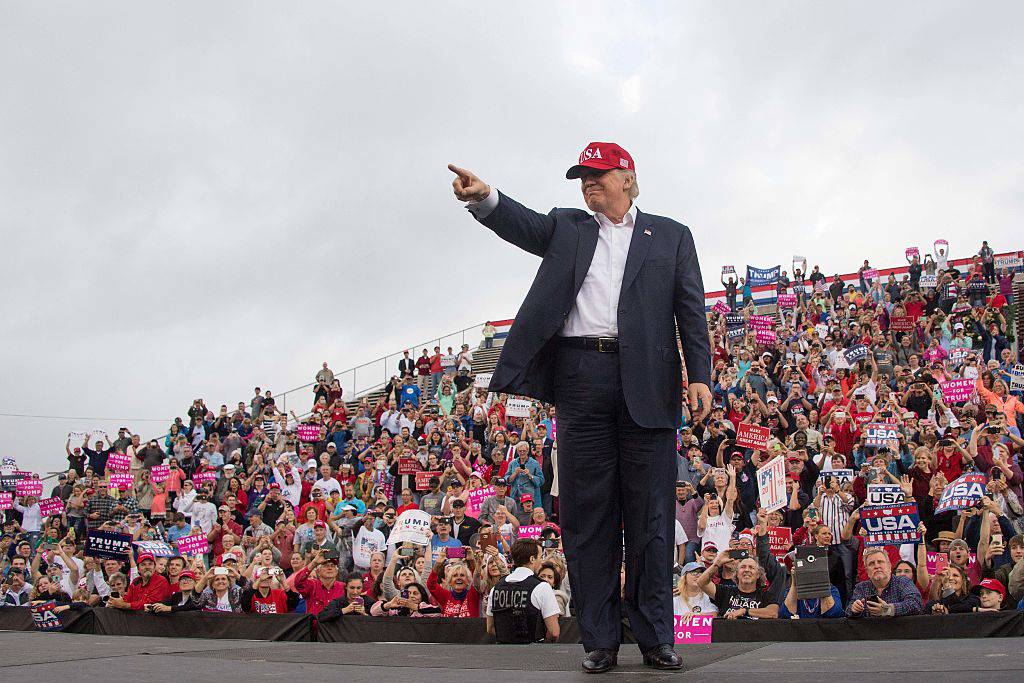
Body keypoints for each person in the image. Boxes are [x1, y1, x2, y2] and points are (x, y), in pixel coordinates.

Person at [450, 142, 712, 674]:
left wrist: (700, 376)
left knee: (651, 520)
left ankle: (657, 636)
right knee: (588, 518)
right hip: (580, 380)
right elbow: (522, 225)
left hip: (648, 384)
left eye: (597, 175)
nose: (587, 184)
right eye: (582, 177)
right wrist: (486, 199)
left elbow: (690, 308)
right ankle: (599, 640)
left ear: (627, 178)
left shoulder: (671, 235)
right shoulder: (568, 226)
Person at [486, 538, 561, 643]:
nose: (541, 561)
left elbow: (490, 628)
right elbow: (554, 632)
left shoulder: (495, 589)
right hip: (534, 654)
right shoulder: (542, 587)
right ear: (532, 559)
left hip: (503, 654)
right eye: (540, 557)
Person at [846, 546, 923, 618]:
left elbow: (916, 604)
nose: (876, 566)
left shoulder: (903, 582)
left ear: (889, 566)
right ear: (867, 571)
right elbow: (848, 611)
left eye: (880, 562)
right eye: (871, 564)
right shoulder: (861, 588)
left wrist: (887, 610)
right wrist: (855, 609)